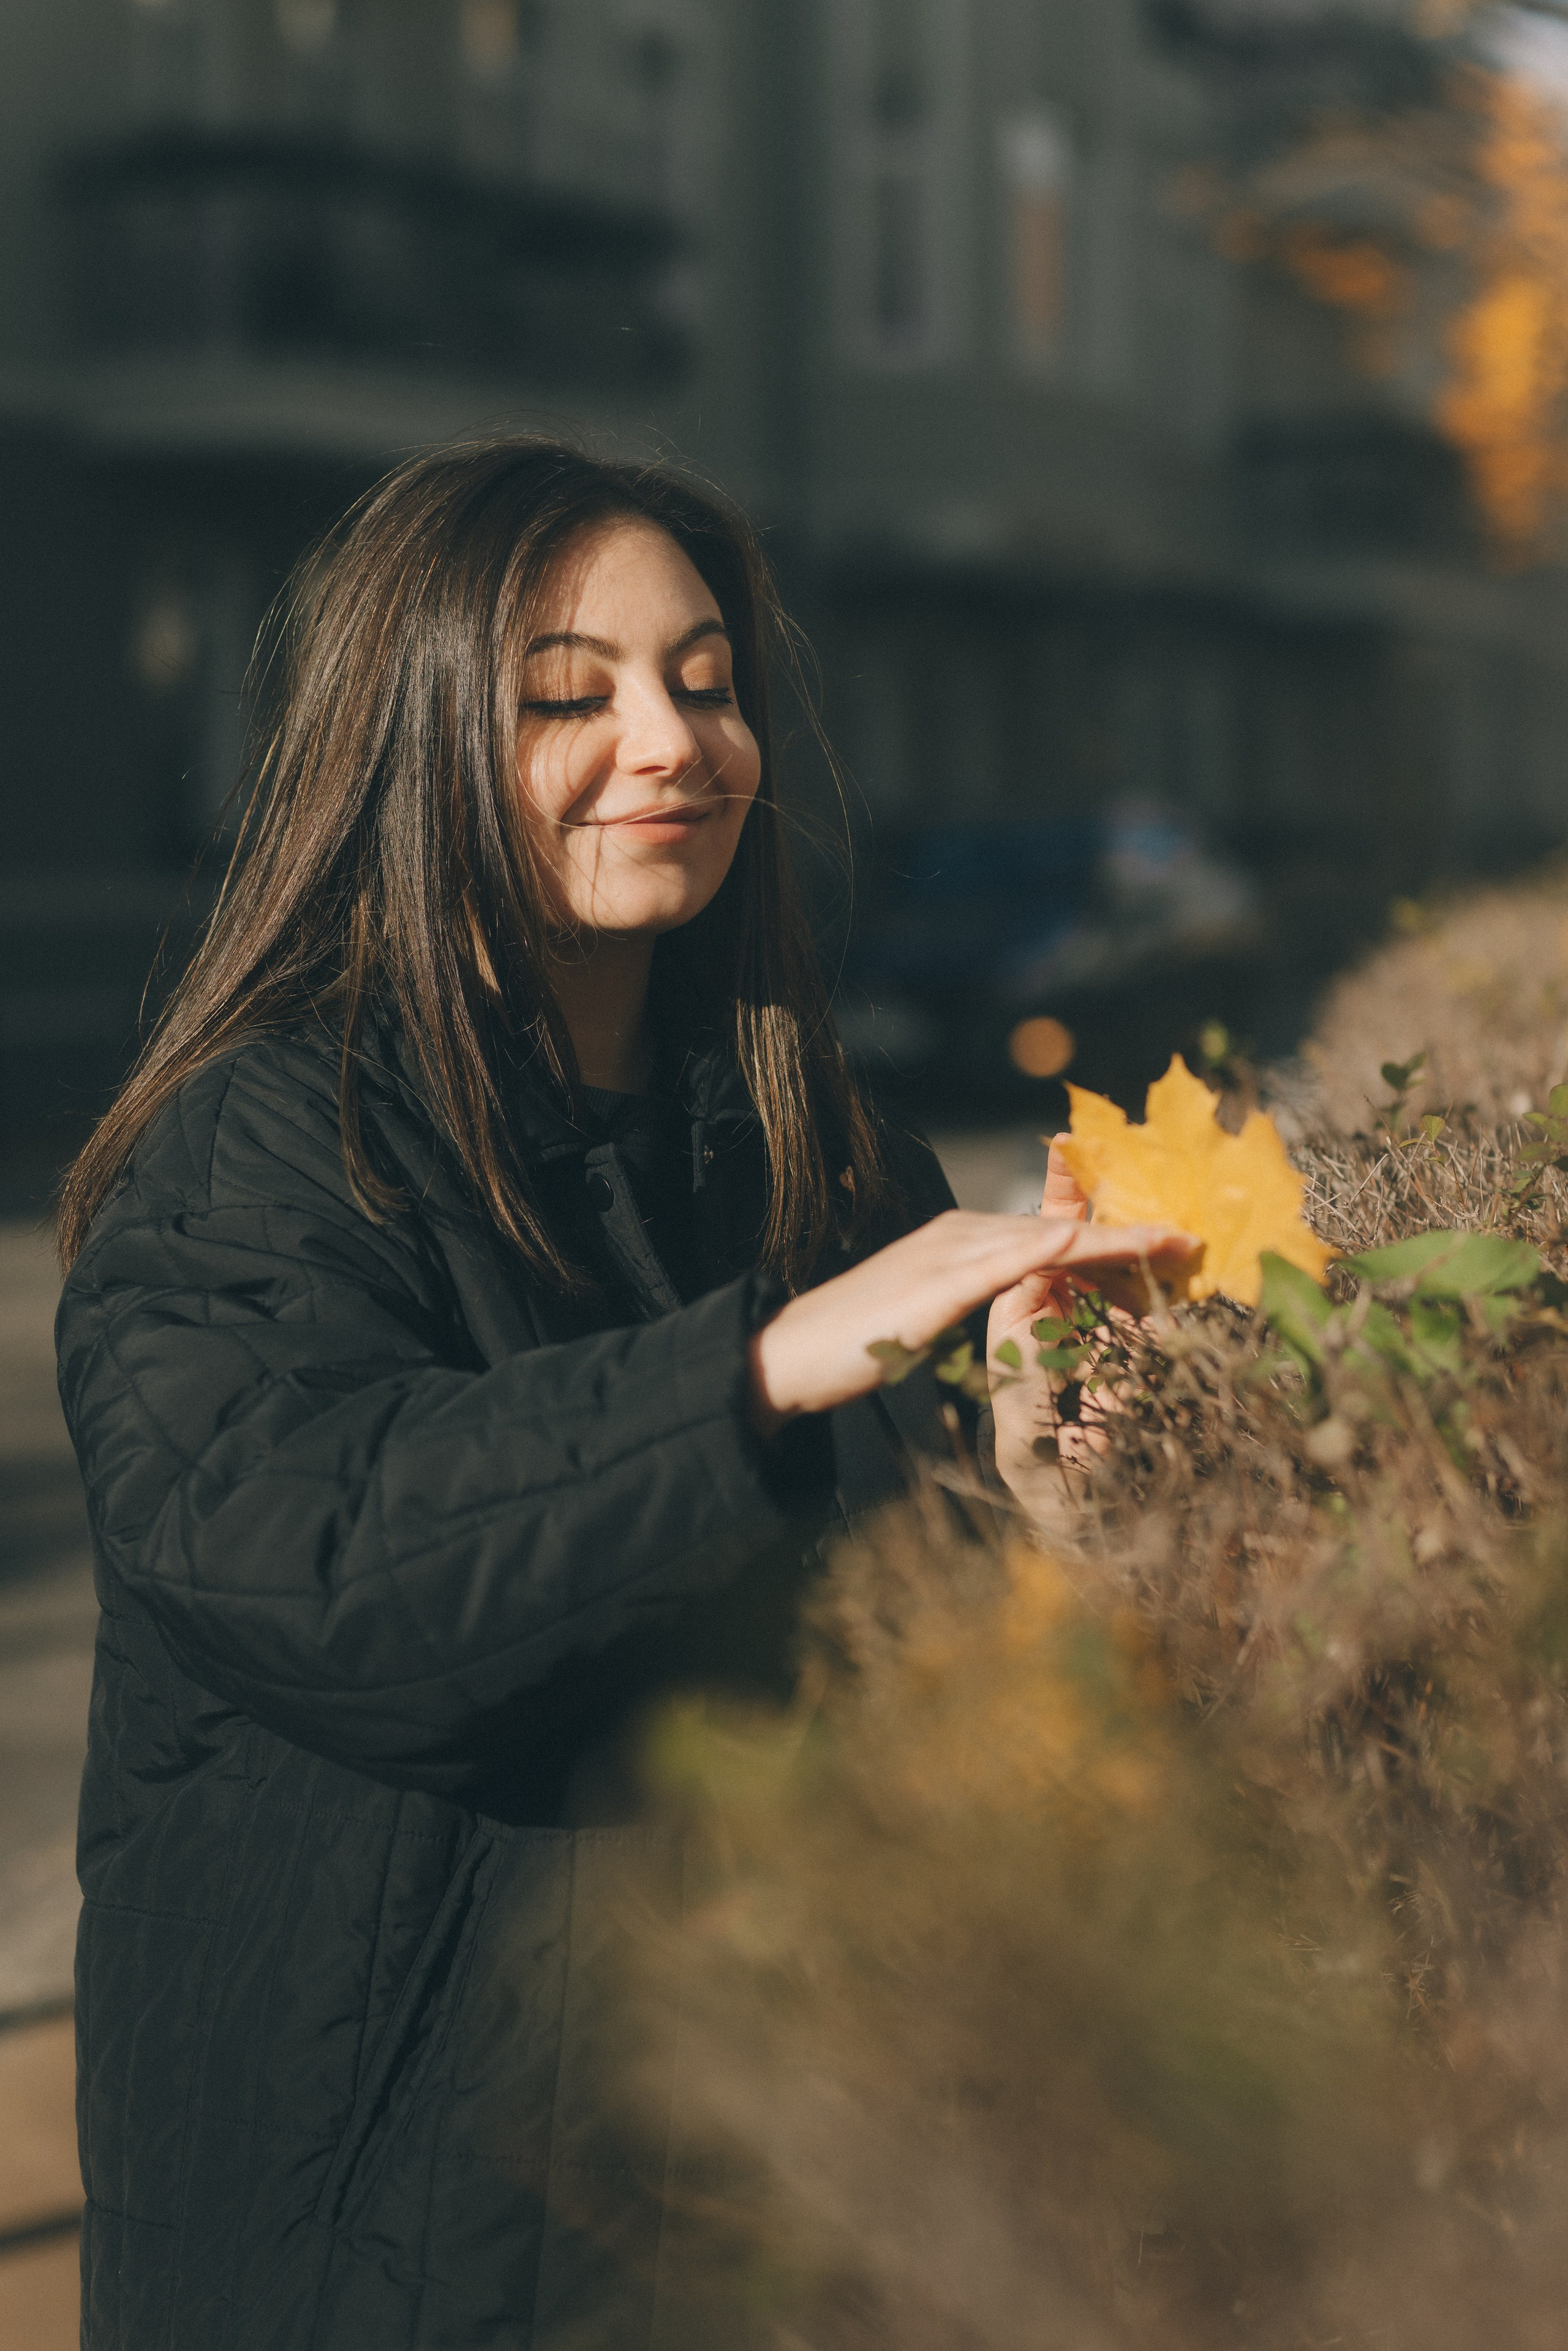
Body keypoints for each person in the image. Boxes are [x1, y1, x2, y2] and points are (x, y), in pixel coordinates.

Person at [54, 438, 1188, 2350]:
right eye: (568, 697)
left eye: (709, 678)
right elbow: (319, 1556)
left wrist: (1034, 1486)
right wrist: (756, 1373)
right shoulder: (254, 1151)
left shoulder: (818, 1148)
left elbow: (901, 1674)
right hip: (385, 2250)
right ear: (407, 750)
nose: (672, 741)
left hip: (765, 2219)